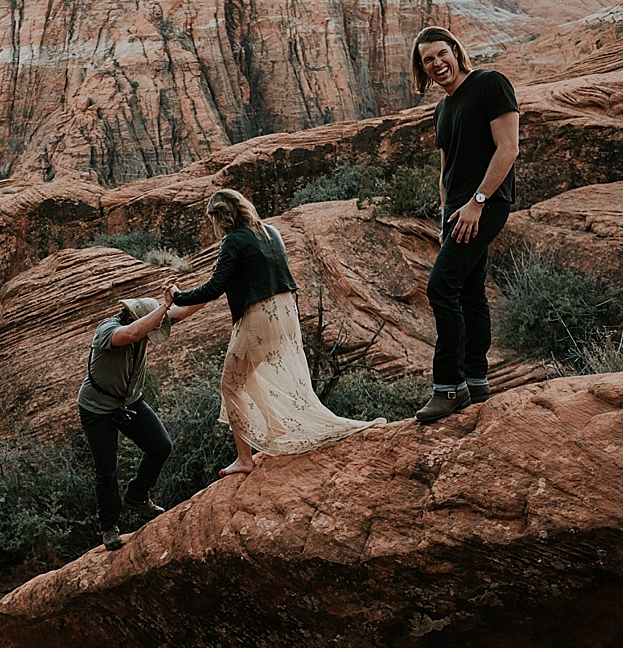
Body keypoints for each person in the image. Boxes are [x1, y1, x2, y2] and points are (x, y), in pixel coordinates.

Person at [170, 189, 384, 478]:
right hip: (284, 312)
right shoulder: (270, 232)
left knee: (230, 384)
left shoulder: (233, 240)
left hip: (258, 315)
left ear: (222, 216)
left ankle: (244, 459)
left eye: (214, 219)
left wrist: (177, 295)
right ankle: (275, 425)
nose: (215, 226)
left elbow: (213, 288)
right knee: (248, 375)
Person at [410, 26, 520, 423]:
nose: (437, 63)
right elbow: (446, 170)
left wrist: (477, 202)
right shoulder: (442, 108)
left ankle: (447, 387)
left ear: (456, 52)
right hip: (457, 210)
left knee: (441, 286)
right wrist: (445, 215)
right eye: (428, 59)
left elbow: (509, 148)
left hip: (485, 204)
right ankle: (476, 382)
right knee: (471, 292)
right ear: (423, 68)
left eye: (442, 53)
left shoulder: (490, 84)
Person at [78, 279, 204, 551]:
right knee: (106, 470)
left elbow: (180, 312)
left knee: (160, 446)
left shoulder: (147, 323)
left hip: (129, 401)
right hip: (97, 408)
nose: (152, 336)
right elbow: (133, 333)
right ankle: (109, 527)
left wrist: (220, 286)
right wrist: (163, 307)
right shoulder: (108, 331)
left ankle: (136, 496)